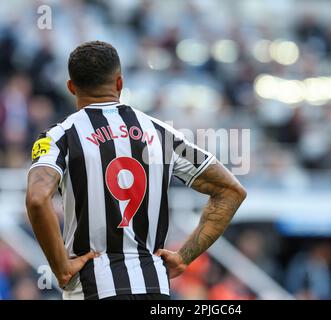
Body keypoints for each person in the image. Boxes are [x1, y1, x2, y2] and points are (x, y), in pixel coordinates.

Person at [25, 41, 246, 300]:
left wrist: (61, 267)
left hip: (94, 288)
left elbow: (37, 198)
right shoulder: (161, 133)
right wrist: (184, 257)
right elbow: (231, 190)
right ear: (119, 83)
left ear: (71, 87)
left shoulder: (59, 137)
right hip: (155, 287)